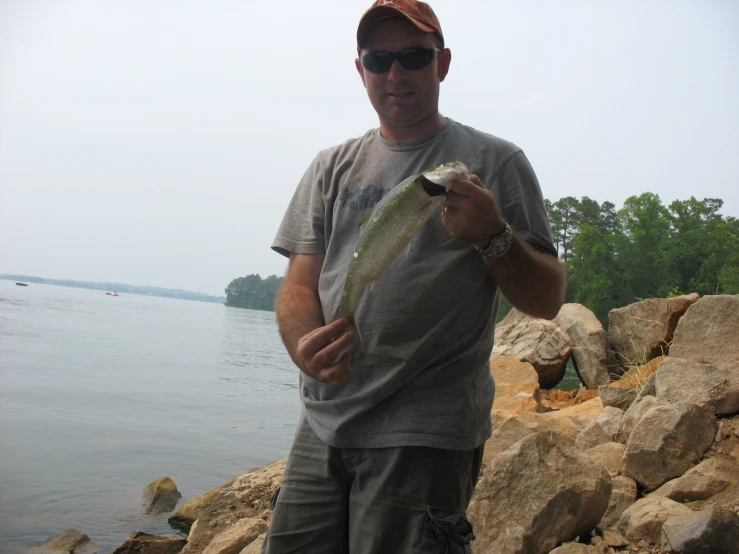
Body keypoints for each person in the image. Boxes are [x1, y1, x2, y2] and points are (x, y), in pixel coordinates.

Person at [264, 1, 566, 552]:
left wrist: (493, 235)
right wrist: (304, 345)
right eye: (379, 59)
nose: (395, 73)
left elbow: (546, 298)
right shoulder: (332, 166)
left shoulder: (494, 162)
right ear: (360, 69)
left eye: (412, 56)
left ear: (443, 63)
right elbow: (299, 286)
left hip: (426, 431)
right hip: (323, 422)